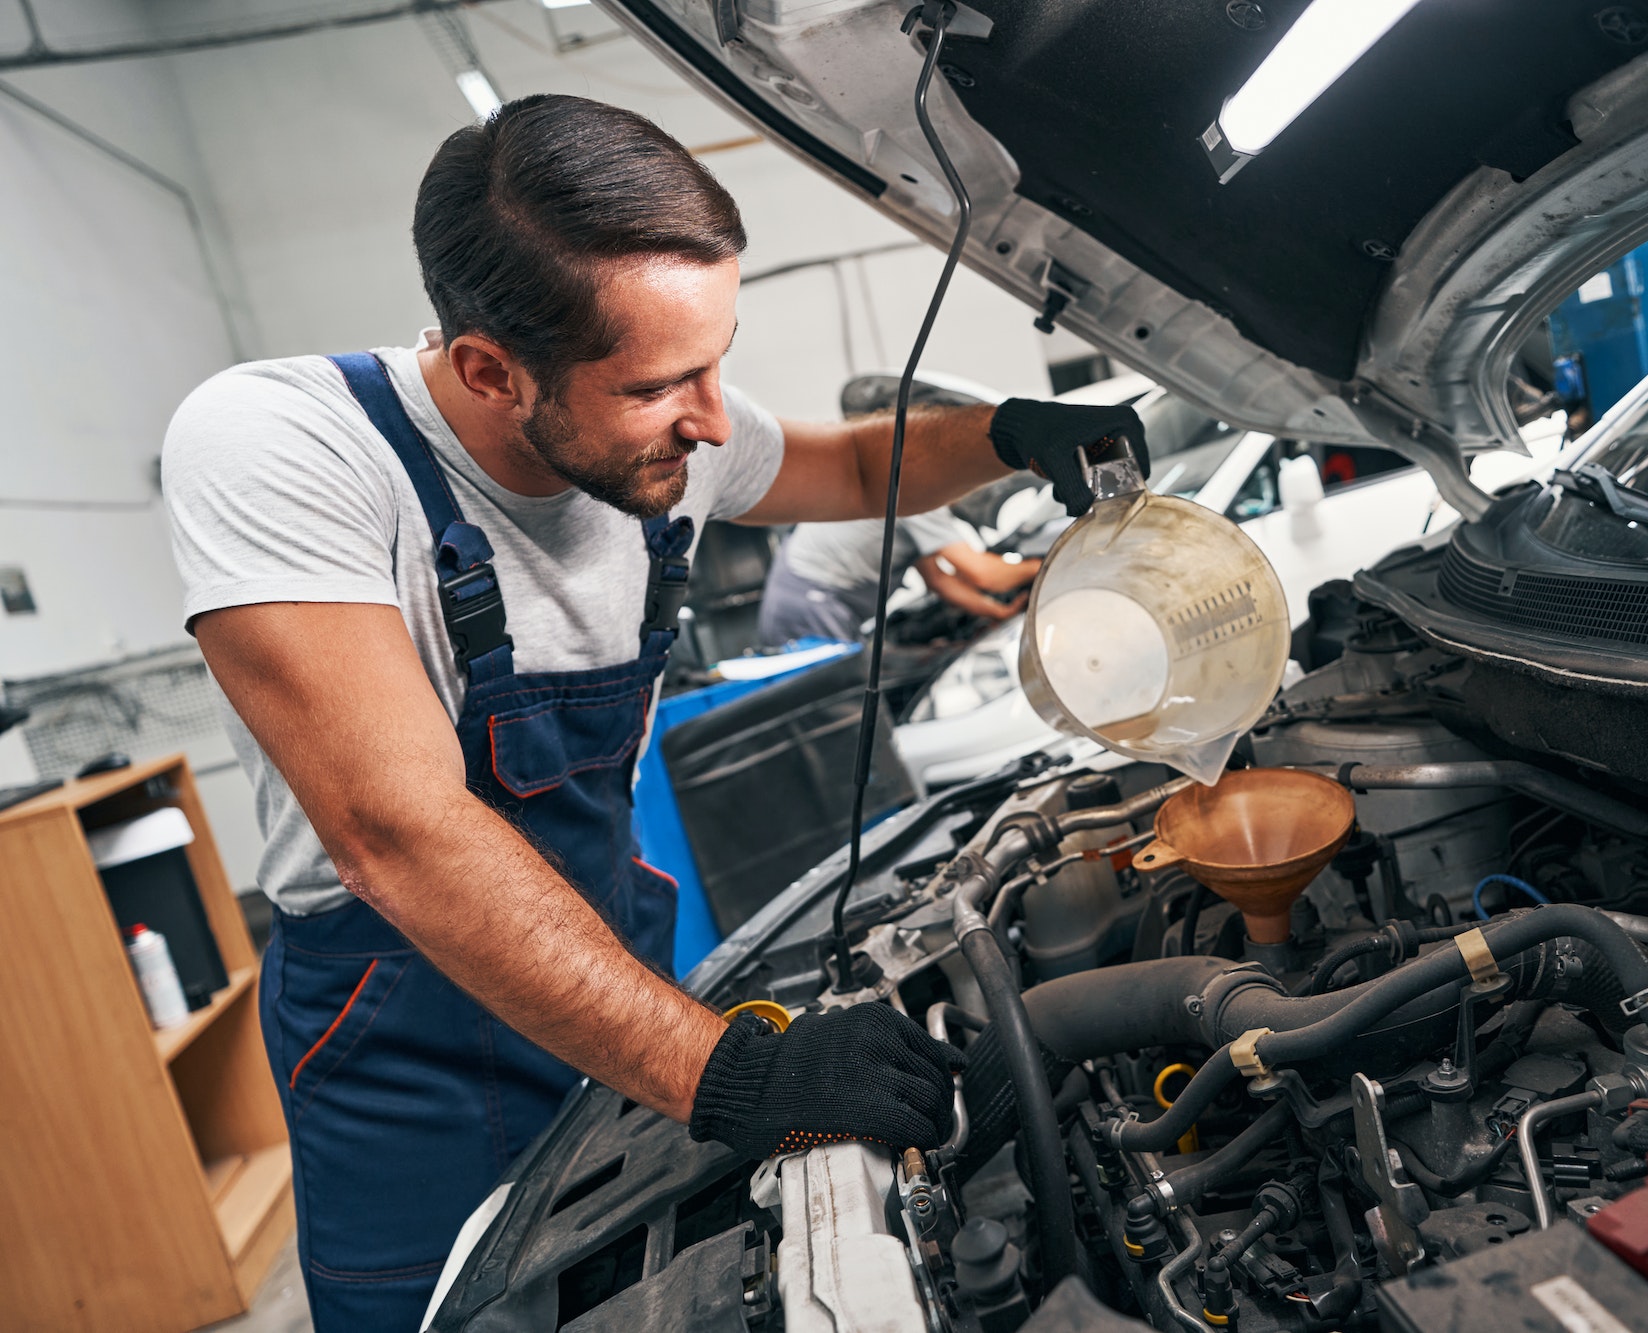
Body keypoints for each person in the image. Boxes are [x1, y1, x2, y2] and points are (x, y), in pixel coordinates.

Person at [161, 94, 1145, 1331]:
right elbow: (395, 829)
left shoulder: (668, 440)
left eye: (717, 360)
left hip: (611, 952)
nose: (715, 419)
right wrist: (734, 1070)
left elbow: (843, 465)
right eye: (662, 384)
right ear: (489, 370)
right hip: (407, 1044)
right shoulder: (289, 445)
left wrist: (1004, 433)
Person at [758, 506, 1040, 644]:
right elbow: (985, 575)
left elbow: (939, 580)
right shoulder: (918, 496)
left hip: (797, 592)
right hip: (810, 602)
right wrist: (1046, 564)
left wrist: (997, 612)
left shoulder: (905, 484)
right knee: (840, 707)